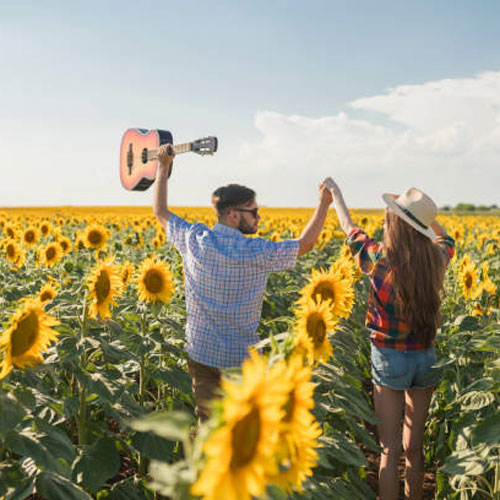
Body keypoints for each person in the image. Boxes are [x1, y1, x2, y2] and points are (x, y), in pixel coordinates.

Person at [153, 144, 333, 422]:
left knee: (209, 429)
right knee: (242, 432)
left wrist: (162, 168)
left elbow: (160, 212)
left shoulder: (194, 240)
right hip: (241, 363)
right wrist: (323, 204)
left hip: (201, 354)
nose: (258, 217)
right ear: (234, 215)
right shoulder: (256, 252)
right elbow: (305, 244)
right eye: (253, 211)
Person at [326, 180, 455, 500]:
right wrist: (425, 218)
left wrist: (336, 195)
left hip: (389, 357)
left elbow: (349, 227)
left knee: (389, 450)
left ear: (393, 225)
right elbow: (447, 238)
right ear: (420, 228)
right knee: (414, 448)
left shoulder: (376, 258)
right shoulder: (436, 259)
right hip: (425, 357)